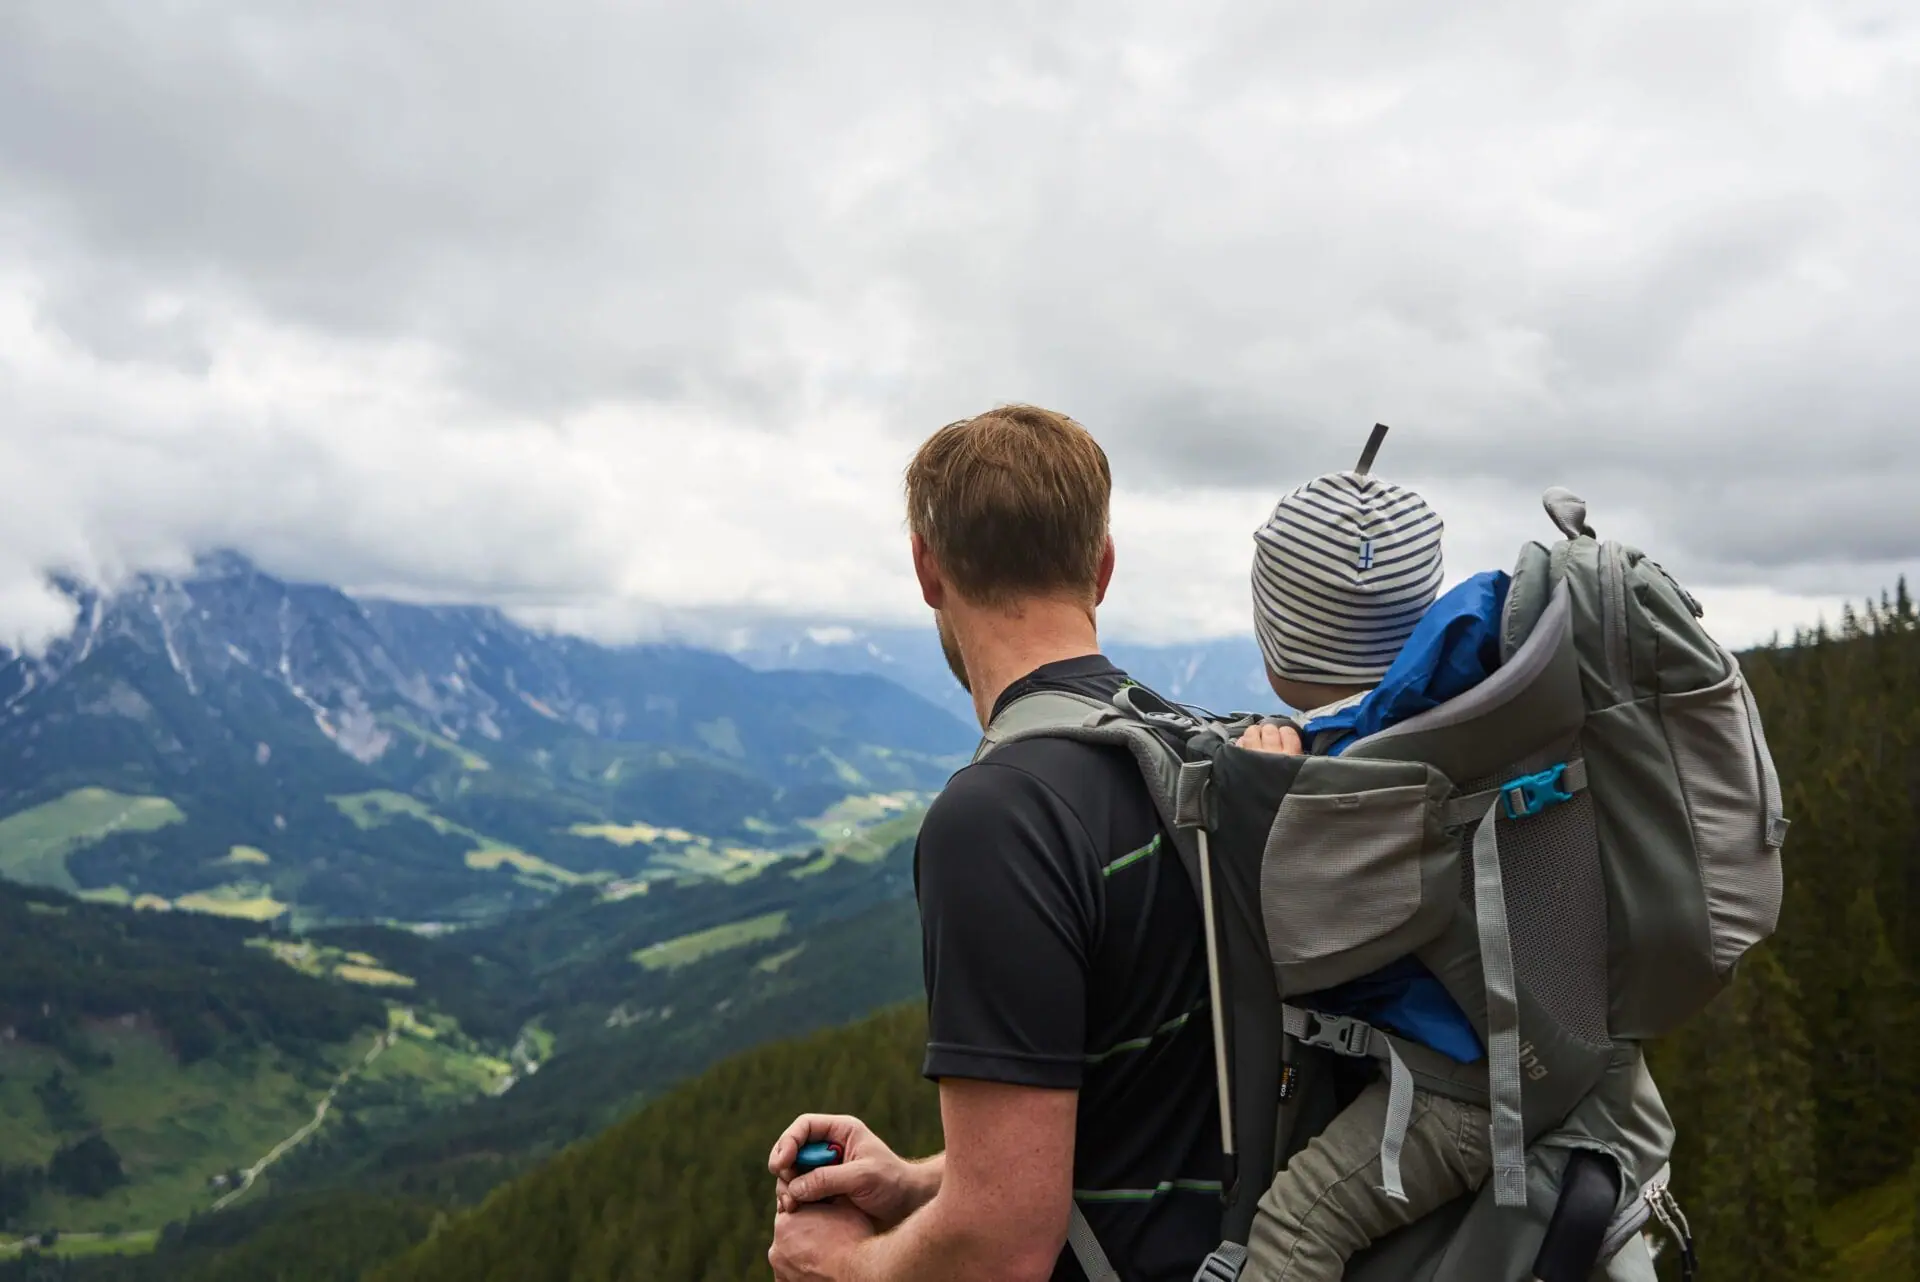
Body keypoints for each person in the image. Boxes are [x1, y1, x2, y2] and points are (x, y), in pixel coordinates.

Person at [767, 405, 1252, 1282]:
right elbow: (1136, 1113)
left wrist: (842, 1264)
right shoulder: (1210, 756)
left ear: (926, 568)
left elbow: (1002, 1247)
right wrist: (914, 1183)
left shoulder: (1000, 819)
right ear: (1102, 566)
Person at [1237, 462, 1497, 1282]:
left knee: (1291, 1232)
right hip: (1525, 1041)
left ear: (1279, 634)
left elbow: (1280, 949)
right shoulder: (1461, 716)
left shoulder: (1342, 784)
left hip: (1460, 1097)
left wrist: (1266, 795)